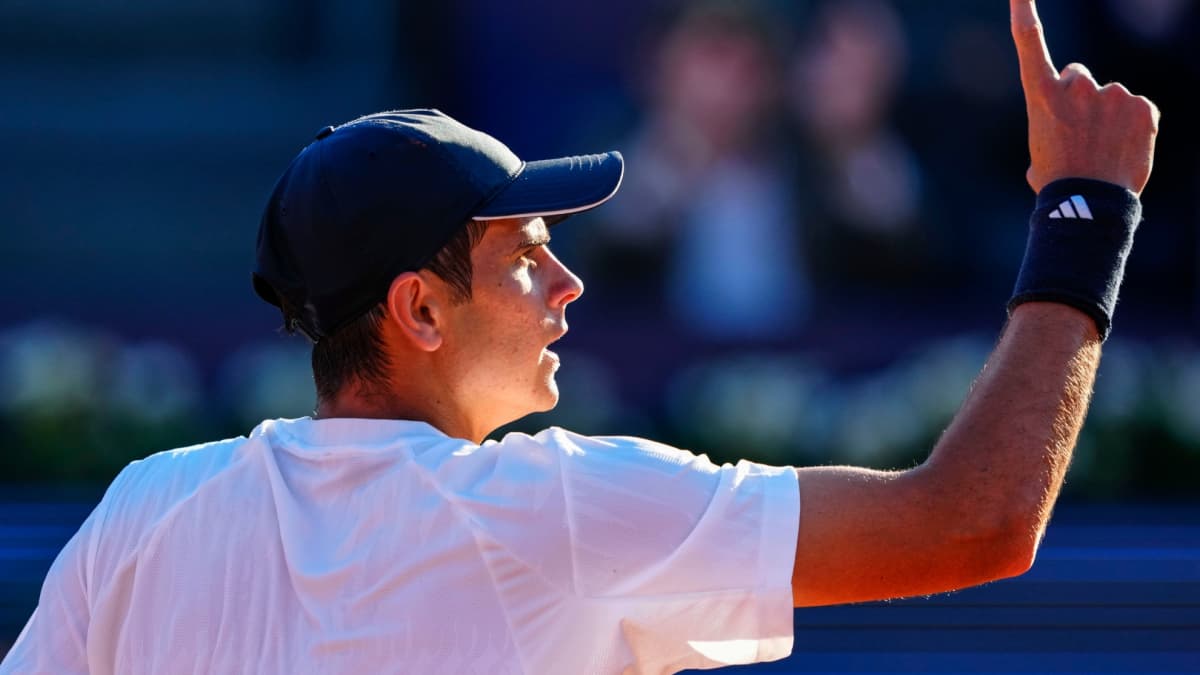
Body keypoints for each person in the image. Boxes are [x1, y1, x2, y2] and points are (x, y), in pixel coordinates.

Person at [0, 1, 1159, 672]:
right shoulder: (551, 506)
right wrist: (1084, 214)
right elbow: (975, 521)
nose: (567, 284)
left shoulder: (143, 515)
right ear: (418, 309)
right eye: (523, 255)